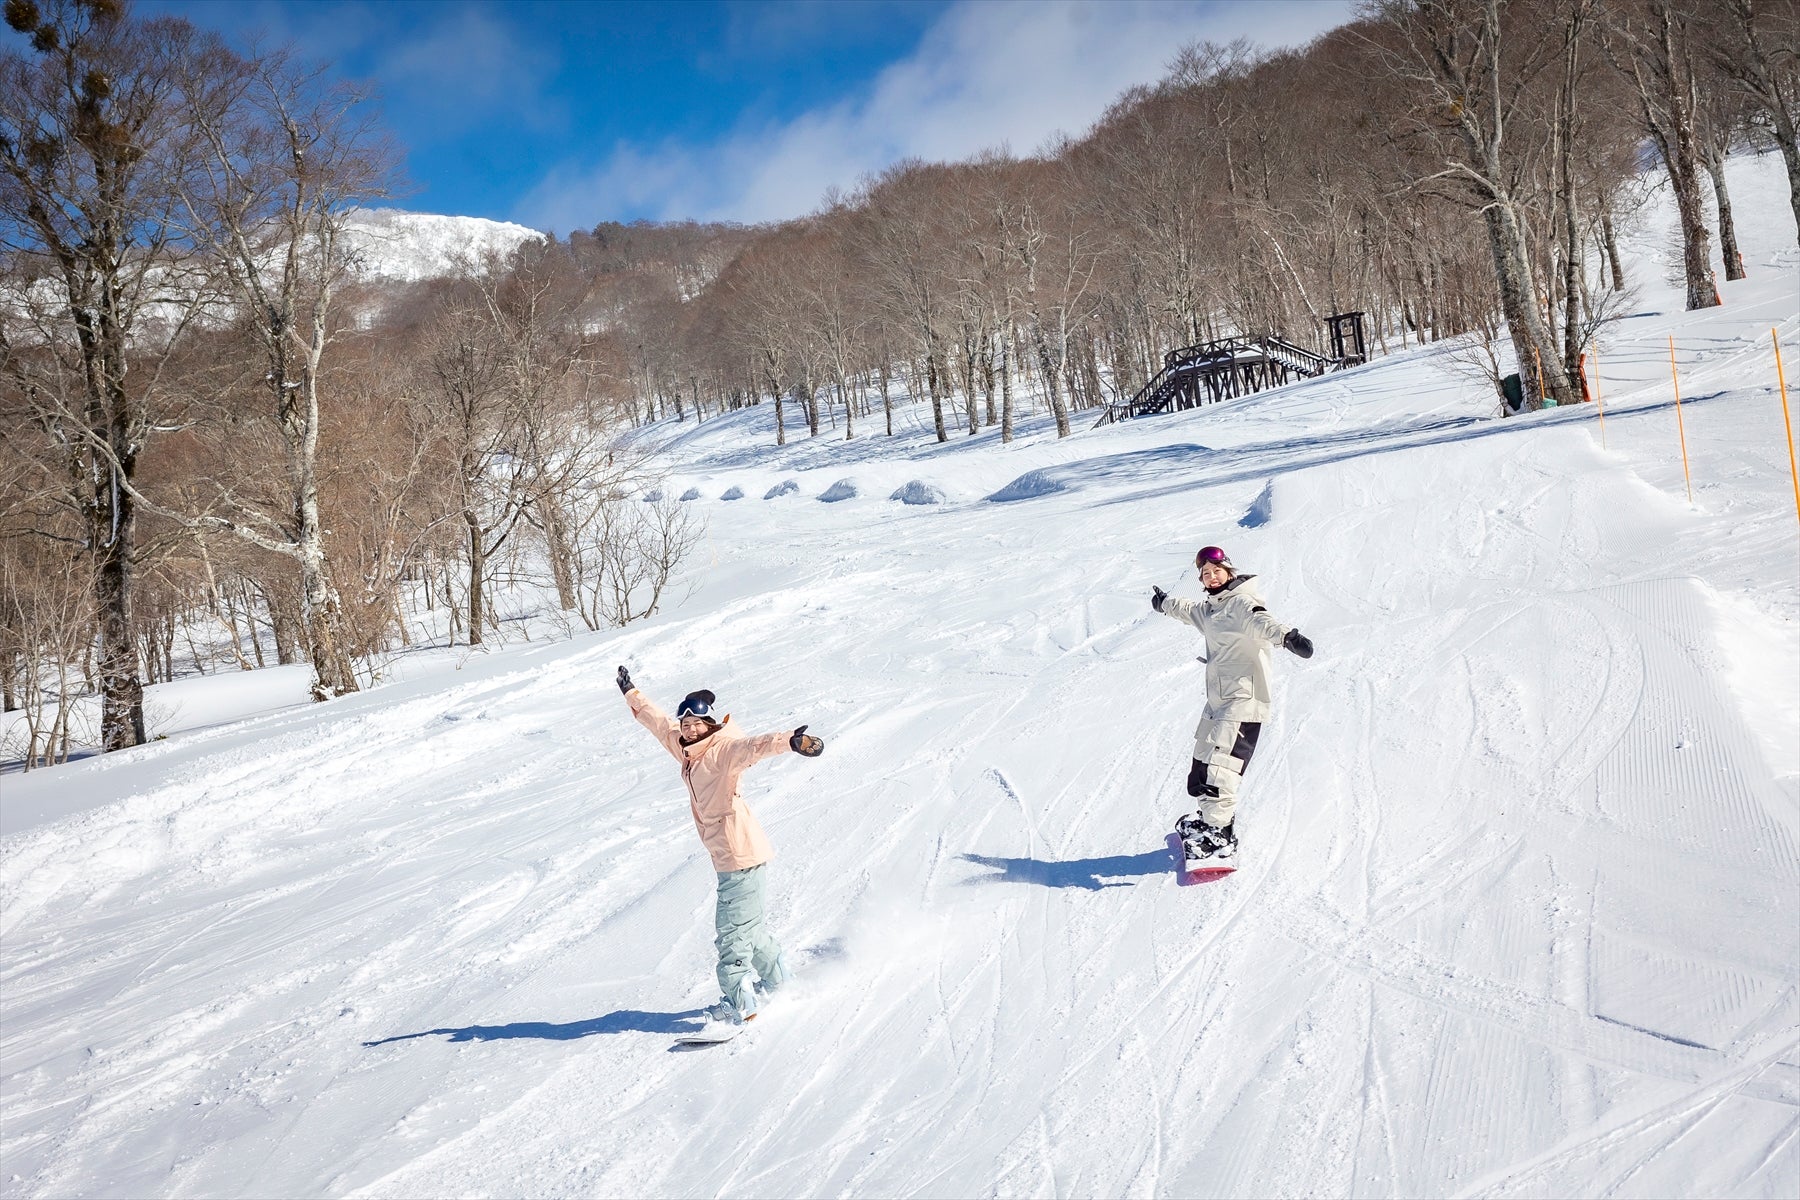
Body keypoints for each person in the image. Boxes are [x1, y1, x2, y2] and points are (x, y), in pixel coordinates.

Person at [617, 665, 824, 1027]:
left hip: (738, 856)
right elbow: (658, 722)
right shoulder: (686, 750)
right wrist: (631, 693)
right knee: (751, 929)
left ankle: (740, 1004)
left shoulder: (722, 750)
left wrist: (790, 740)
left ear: (709, 724)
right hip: (738, 855)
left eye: (696, 724)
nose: (689, 728)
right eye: (686, 724)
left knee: (732, 935)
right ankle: (780, 982)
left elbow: (753, 746)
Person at [1150, 546, 1314, 865]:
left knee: (1221, 768)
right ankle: (1210, 819)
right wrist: (1163, 604)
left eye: (1216, 571)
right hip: (1218, 701)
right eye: (1205, 574)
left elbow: (1261, 620)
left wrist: (1288, 638)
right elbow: (1186, 609)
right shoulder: (1211, 609)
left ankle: (1220, 836)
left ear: (1230, 572)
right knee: (1201, 765)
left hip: (1243, 699)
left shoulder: (1241, 602)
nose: (1211, 577)